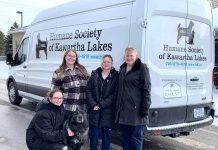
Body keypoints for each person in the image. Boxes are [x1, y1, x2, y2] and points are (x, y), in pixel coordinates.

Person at [115, 47, 151, 150]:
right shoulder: (122, 69)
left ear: (136, 57)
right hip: (123, 111)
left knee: (135, 138)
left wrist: (145, 108)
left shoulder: (142, 68)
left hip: (136, 112)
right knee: (125, 138)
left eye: (131, 56)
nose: (129, 57)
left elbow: (147, 89)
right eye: (127, 55)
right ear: (124, 57)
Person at [86, 55, 119, 150]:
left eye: (108, 62)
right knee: (94, 135)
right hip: (94, 110)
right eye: (104, 61)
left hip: (107, 111)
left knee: (106, 135)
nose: (106, 63)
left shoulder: (116, 76)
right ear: (101, 63)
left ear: (112, 63)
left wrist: (101, 105)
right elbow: (88, 90)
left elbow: (115, 94)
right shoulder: (94, 74)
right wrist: (93, 104)